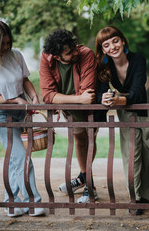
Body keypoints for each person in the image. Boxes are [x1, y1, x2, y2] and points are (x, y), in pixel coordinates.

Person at [95, 26, 149, 215]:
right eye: (107, 44)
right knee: (131, 154)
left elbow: (137, 91)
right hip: (125, 111)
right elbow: (100, 91)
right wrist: (103, 98)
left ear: (123, 41)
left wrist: (118, 100)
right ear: (103, 50)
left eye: (115, 41)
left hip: (147, 107)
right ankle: (135, 198)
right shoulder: (104, 67)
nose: (112, 46)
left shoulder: (137, 59)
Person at [0, 20, 45, 217]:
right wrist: (14, 100)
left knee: (15, 159)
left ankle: (11, 204)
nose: (6, 47)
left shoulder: (16, 55)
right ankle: (34, 203)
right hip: (0, 114)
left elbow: (24, 80)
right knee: (22, 158)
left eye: (8, 42)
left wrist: (34, 96)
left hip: (21, 110)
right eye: (2, 44)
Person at [40, 29, 98, 203]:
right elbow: (48, 95)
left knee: (88, 140)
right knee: (80, 140)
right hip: (72, 107)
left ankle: (89, 185)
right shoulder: (47, 58)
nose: (74, 53)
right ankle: (83, 178)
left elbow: (88, 92)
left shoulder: (85, 54)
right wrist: (78, 98)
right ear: (57, 57)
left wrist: (63, 99)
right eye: (69, 52)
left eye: (74, 48)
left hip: (91, 108)